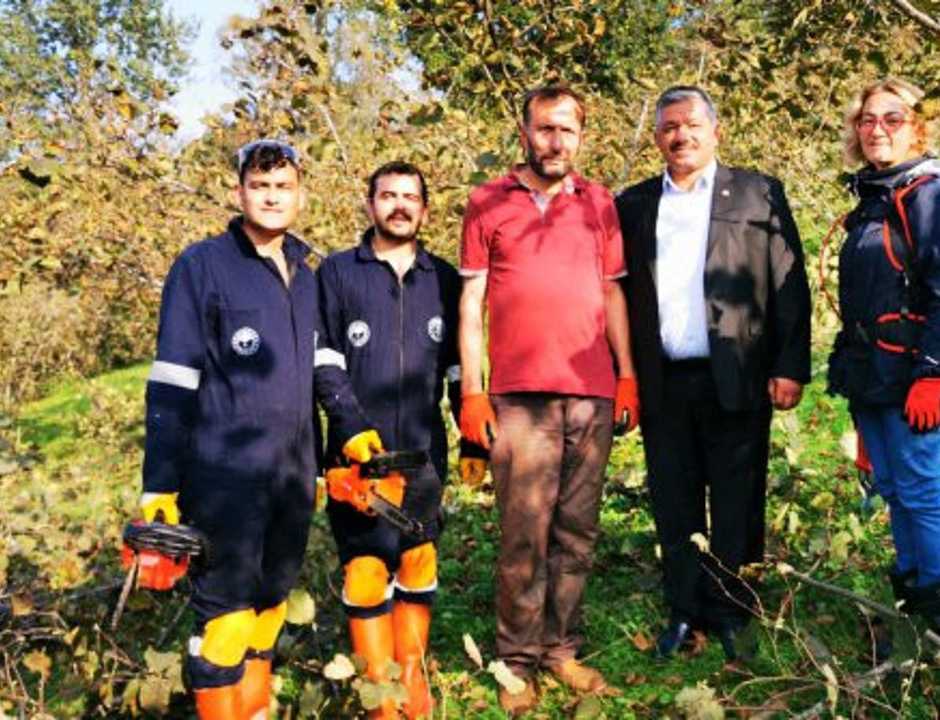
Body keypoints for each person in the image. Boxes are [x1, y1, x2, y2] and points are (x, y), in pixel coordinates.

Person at [457, 84, 638, 714]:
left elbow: (614, 294)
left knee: (577, 531)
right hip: (519, 398)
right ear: (524, 132)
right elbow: (471, 303)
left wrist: (627, 375)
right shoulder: (487, 202)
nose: (555, 141)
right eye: (544, 129)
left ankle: (561, 650)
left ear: (581, 137)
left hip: (589, 392)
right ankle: (517, 660)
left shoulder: (600, 204)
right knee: (523, 532)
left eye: (567, 130)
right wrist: (473, 391)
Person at [615, 86, 811, 662]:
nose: (682, 135)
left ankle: (731, 608)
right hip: (663, 377)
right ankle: (683, 609)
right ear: (657, 138)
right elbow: (615, 295)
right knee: (673, 498)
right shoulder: (633, 203)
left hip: (740, 372)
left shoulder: (757, 192)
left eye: (693, 124)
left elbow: (787, 284)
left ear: (716, 131)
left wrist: (789, 364)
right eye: (670, 126)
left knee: (736, 495)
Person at [139, 140, 321, 720]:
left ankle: (257, 710)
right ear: (239, 191)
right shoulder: (202, 266)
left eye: (283, 186)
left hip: (293, 474)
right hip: (225, 476)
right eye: (260, 186)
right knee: (226, 616)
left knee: (269, 606)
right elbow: (171, 379)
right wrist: (158, 486)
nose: (272, 197)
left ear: (300, 195)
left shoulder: (306, 273)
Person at [315, 161, 485, 719]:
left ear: (426, 209)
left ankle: (412, 679)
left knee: (417, 558)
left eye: (410, 197)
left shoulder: (443, 277)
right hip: (357, 457)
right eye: (388, 196)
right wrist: (347, 424)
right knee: (366, 570)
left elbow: (460, 365)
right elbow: (324, 360)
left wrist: (472, 435)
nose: (399, 205)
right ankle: (379, 694)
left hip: (423, 452)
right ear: (370, 206)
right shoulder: (338, 273)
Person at [825, 78, 940, 637]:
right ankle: (911, 601)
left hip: (913, 374)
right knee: (892, 488)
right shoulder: (873, 198)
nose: (877, 129)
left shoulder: (931, 192)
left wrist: (933, 373)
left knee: (920, 489)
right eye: (867, 120)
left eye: (892, 118)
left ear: (917, 127)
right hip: (871, 374)